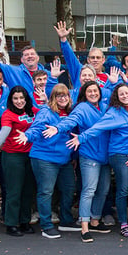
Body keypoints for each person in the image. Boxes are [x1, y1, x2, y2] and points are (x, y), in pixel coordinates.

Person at [71, 83, 128, 237]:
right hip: (120, 154)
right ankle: (124, 223)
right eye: (121, 94)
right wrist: (81, 137)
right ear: (116, 97)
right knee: (123, 189)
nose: (125, 96)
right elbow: (98, 127)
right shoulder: (114, 112)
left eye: (127, 93)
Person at [53, 82, 113, 239]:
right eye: (89, 91)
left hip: (105, 156)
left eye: (95, 91)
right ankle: (84, 226)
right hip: (89, 155)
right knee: (89, 190)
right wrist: (58, 128)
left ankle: (95, 220)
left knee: (103, 190)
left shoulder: (105, 106)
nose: (93, 93)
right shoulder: (81, 108)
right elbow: (71, 121)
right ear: (84, 94)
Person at [21, 84, 77, 240]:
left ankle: (66, 220)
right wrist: (27, 136)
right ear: (53, 97)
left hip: (64, 159)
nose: (63, 98)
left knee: (68, 188)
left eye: (65, 95)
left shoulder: (70, 112)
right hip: (45, 158)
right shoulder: (46, 112)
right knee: (46, 191)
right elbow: (37, 128)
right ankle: (46, 225)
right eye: (59, 96)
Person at [0, 87, 40, 236]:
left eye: (21, 98)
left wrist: (43, 103)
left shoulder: (33, 111)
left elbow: (44, 115)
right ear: (11, 100)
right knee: (14, 190)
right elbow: (4, 130)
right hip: (13, 156)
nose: (19, 101)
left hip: (30, 155)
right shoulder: (8, 114)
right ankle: (11, 223)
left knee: (28, 190)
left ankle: (25, 221)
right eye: (15, 98)